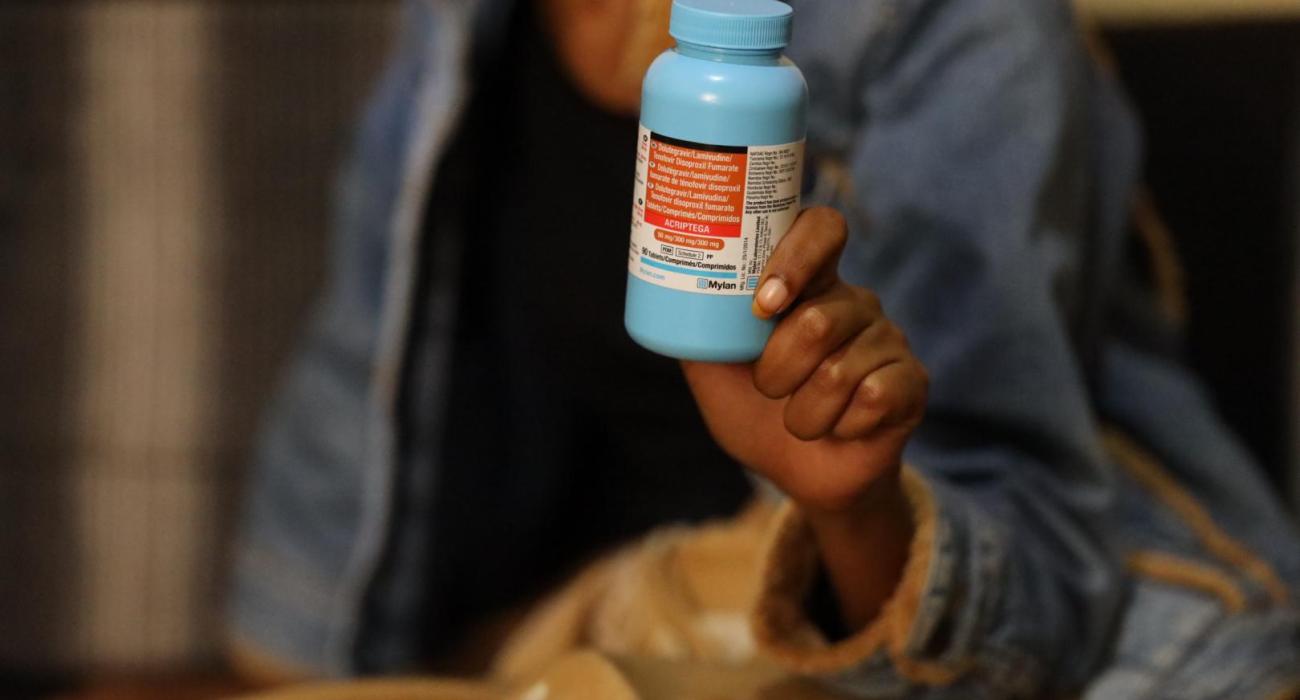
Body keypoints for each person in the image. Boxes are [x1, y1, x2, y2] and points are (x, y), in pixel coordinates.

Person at [226, 0, 1300, 697]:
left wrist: (851, 504)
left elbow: (1016, 587)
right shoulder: (464, 29)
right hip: (569, 628)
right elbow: (358, 418)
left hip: (857, 651)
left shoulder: (961, 28)